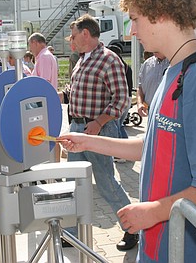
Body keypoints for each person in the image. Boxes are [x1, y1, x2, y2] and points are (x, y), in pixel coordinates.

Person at [60, 0, 196, 263]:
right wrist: (87, 142)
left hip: (188, 250)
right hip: (162, 245)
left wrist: (153, 211)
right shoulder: (173, 71)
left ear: (160, 13)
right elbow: (154, 144)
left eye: (135, 19)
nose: (131, 31)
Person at [64, 14, 137, 251]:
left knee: (106, 183)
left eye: (74, 35)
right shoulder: (83, 59)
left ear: (86, 33)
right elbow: (74, 91)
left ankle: (132, 228)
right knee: (73, 182)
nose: (70, 40)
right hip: (79, 128)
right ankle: (72, 233)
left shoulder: (109, 60)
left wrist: (98, 122)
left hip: (98, 130)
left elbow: (121, 100)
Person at [107, 44, 133, 140]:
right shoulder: (127, 66)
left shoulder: (117, 66)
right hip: (128, 97)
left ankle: (122, 148)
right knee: (120, 124)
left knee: (116, 125)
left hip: (121, 99)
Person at [136, 51, 169, 117]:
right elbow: (140, 88)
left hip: (169, 113)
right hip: (151, 112)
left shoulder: (175, 63)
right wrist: (139, 103)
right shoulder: (147, 64)